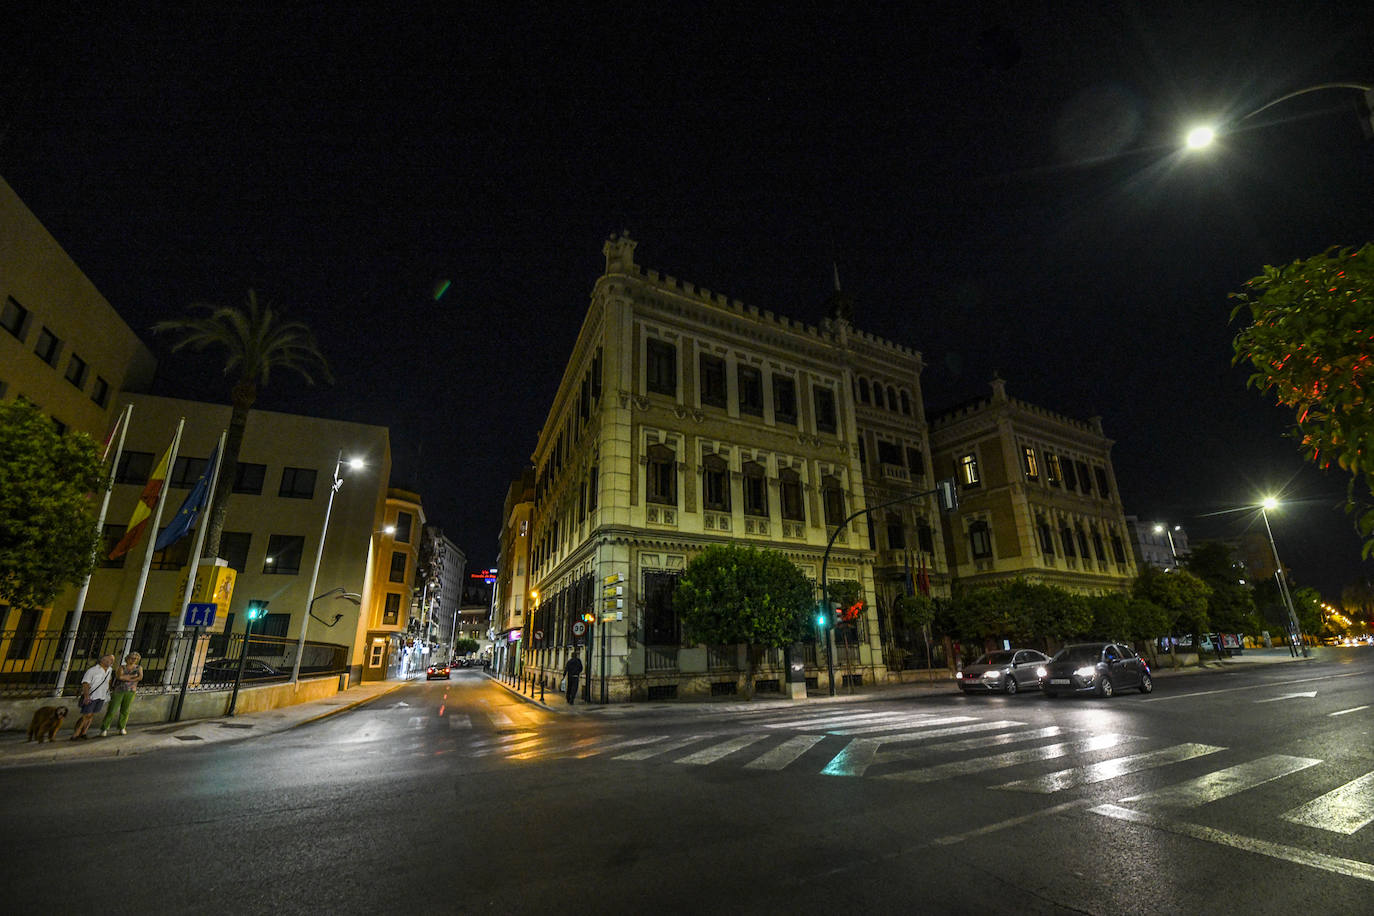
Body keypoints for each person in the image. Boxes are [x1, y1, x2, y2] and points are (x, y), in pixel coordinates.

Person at [71, 654, 115, 740]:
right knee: (86, 715)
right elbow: (85, 684)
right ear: (103, 660)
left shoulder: (110, 670)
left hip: (101, 695)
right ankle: (76, 734)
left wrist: (107, 690)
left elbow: (109, 680)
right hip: (92, 696)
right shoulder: (92, 670)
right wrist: (87, 696)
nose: (112, 662)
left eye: (113, 660)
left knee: (91, 715)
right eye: (110, 660)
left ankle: (84, 733)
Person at [100, 652, 143, 736]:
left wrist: (127, 678)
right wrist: (133, 677)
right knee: (112, 709)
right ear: (127, 658)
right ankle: (104, 728)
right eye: (132, 658)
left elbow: (140, 677)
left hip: (131, 691)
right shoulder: (122, 667)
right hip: (119, 690)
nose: (134, 660)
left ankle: (122, 727)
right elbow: (120, 677)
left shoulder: (139, 667)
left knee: (125, 710)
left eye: (136, 658)